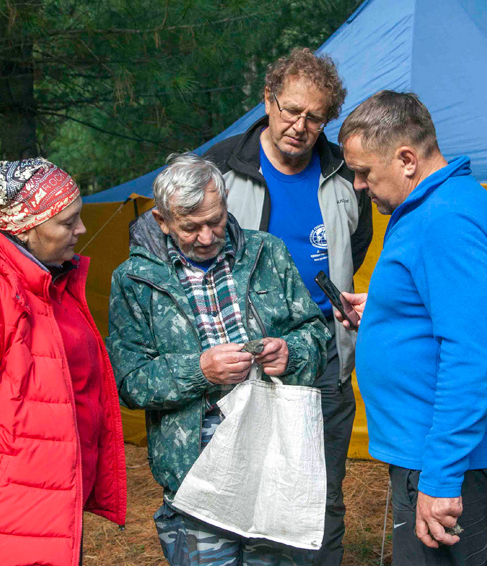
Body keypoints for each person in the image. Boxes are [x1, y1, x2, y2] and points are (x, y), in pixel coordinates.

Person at [106, 153, 329, 566]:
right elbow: (131, 382)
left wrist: (291, 351)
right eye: (190, 227)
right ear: (162, 222)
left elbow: (316, 333)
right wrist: (199, 370)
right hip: (195, 461)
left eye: (216, 220)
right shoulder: (134, 281)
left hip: (272, 448)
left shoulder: (268, 253)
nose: (207, 237)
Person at [336, 91, 487, 566]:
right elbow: (435, 307)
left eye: (364, 172)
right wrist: (383, 312)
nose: (358, 185)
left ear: (406, 159)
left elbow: (469, 354)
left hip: (451, 461)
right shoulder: (433, 206)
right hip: (436, 450)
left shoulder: (448, 219)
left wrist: (440, 479)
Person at [204, 48, 372, 566]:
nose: (300, 126)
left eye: (315, 117)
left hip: (322, 353)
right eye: (290, 110)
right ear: (268, 99)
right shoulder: (221, 169)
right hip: (242, 355)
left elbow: (355, 246)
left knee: (321, 492)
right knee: (243, 488)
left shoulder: (347, 175)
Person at [0, 158, 127, 566]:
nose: (81, 231)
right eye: (67, 223)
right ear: (26, 228)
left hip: (42, 520)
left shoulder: (48, 283)